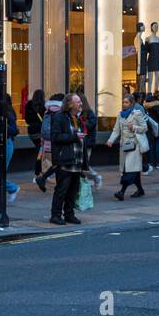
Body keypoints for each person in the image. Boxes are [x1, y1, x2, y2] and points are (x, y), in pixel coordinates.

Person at [48, 93, 87, 224]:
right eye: (77, 102)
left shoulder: (76, 118)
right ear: (69, 104)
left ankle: (69, 214)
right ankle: (55, 215)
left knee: (73, 190)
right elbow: (56, 137)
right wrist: (75, 137)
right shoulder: (59, 117)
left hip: (77, 160)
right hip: (65, 160)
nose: (80, 104)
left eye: (80, 102)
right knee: (62, 189)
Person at [109, 92, 149, 200]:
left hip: (134, 145)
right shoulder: (120, 114)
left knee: (130, 169)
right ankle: (140, 190)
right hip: (124, 146)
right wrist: (111, 140)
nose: (124, 104)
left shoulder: (137, 113)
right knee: (131, 169)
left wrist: (134, 127)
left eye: (126, 102)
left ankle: (121, 192)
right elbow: (116, 130)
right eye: (123, 102)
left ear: (132, 103)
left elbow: (145, 128)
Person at [33, 95, 64, 190]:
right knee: (60, 164)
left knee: (56, 164)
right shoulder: (61, 112)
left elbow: (44, 129)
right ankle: (44, 178)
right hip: (59, 142)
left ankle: (43, 178)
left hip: (47, 144)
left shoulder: (47, 112)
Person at [145, 92, 159, 170]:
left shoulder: (147, 105)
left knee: (152, 145)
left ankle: (152, 162)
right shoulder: (158, 105)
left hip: (150, 127)